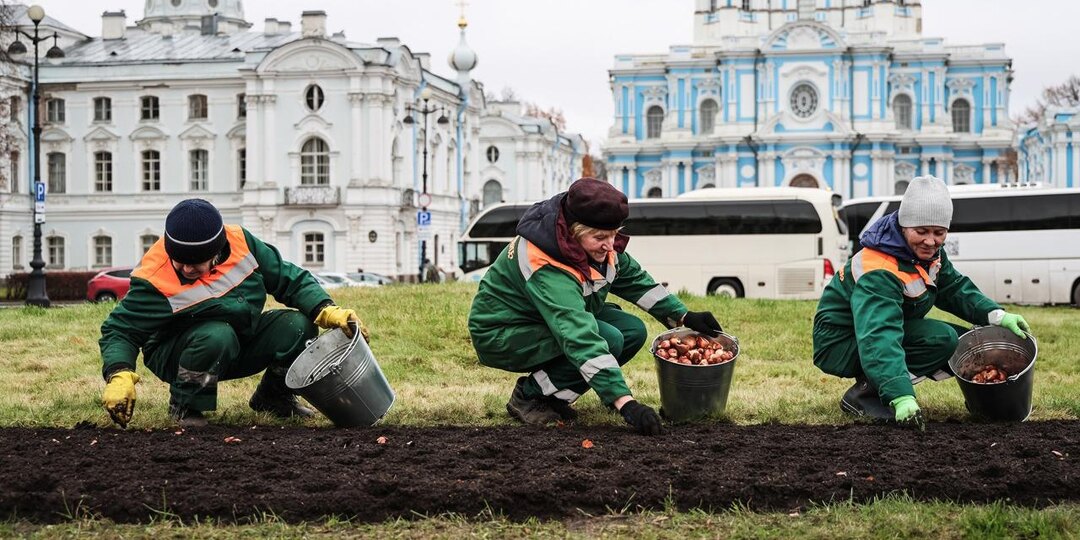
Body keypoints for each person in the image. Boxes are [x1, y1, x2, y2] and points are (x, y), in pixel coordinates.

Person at [468, 178, 724, 436]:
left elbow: (636, 281)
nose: (610, 245)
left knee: (632, 330)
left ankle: (555, 397)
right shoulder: (545, 263)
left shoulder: (592, 240)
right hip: (502, 332)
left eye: (614, 234)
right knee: (608, 338)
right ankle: (530, 395)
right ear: (573, 231)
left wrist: (683, 315)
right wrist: (625, 403)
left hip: (540, 319)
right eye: (600, 237)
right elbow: (579, 336)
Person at [99, 198, 367, 428]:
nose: (186, 269)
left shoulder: (241, 242)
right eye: (179, 261)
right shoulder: (154, 279)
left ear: (216, 253)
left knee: (298, 325)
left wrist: (325, 309)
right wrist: (119, 373)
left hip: (238, 338)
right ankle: (185, 405)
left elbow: (288, 277)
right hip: (179, 352)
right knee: (217, 335)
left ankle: (273, 398)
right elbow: (120, 330)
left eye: (195, 263)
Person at [812, 176, 1031, 427]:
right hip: (841, 342)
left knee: (964, 343)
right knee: (942, 339)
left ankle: (983, 402)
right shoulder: (880, 269)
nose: (930, 241)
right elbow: (878, 335)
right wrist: (901, 395)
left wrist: (997, 315)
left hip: (871, 331)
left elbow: (954, 288)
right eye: (922, 231)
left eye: (939, 232)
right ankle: (865, 396)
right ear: (904, 226)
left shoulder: (928, 254)